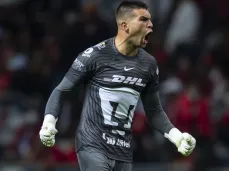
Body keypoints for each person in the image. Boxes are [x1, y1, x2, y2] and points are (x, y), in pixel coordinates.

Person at [39, 1, 196, 171]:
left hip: (123, 149)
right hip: (93, 145)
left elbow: (154, 111)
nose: (150, 26)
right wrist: (49, 122)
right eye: (143, 21)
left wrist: (176, 136)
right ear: (125, 25)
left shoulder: (148, 64)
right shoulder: (94, 56)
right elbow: (61, 90)